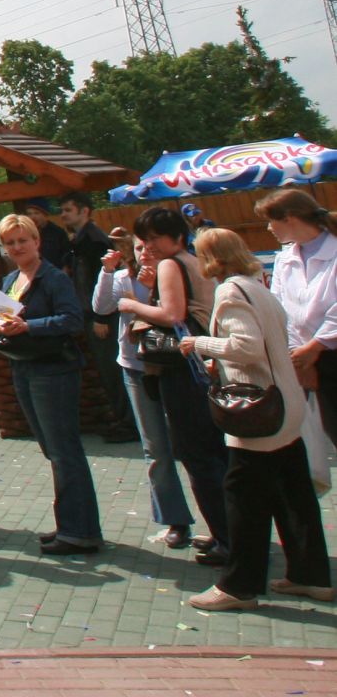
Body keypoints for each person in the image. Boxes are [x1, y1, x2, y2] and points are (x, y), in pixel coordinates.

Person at [180, 227, 332, 610]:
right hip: (286, 401)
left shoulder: (230, 291)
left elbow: (244, 346)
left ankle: (238, 586)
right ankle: (310, 575)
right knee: (293, 493)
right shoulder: (258, 285)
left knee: (243, 498)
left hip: (259, 411)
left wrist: (199, 343)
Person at [115, 206, 229, 565]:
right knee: (213, 452)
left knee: (196, 454)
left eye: (154, 239)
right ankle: (230, 532)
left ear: (176, 236)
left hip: (182, 368)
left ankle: (227, 538)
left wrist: (132, 305)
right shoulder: (192, 261)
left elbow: (172, 315)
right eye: (144, 241)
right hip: (204, 362)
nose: (150, 247)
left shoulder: (171, 263)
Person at [0, 214, 103, 554]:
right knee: (51, 449)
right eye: (10, 243)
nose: (17, 247)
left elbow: (72, 319)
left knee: (64, 449)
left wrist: (30, 326)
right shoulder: (11, 279)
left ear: (36, 241)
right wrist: (2, 328)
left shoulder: (53, 278)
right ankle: (68, 525)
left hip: (54, 370)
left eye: (22, 240)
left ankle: (80, 531)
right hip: (23, 367)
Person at [95, 231, 195, 548]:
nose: (144, 254)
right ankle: (175, 520)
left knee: (191, 444)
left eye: (150, 249)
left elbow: (178, 316)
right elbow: (101, 307)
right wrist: (106, 271)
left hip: (173, 367)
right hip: (135, 367)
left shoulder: (177, 275)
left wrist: (149, 294)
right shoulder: (124, 277)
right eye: (138, 249)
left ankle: (218, 520)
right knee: (155, 449)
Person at [254, 187, 337, 445]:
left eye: (271, 220)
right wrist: (301, 359)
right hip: (309, 360)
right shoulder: (284, 259)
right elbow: (281, 310)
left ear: (289, 218)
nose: (269, 228)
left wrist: (316, 346)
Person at [60, 193, 136, 442]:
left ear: (84, 211)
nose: (64, 215)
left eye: (68, 210)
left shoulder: (95, 241)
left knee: (113, 369)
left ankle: (129, 423)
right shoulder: (79, 241)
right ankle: (122, 418)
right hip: (90, 313)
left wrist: (101, 317)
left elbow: (103, 281)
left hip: (102, 316)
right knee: (106, 371)